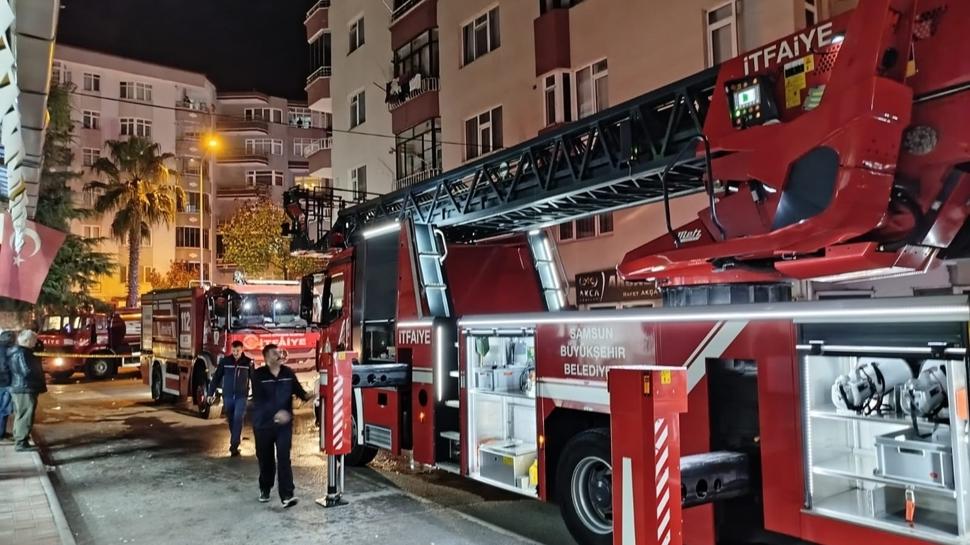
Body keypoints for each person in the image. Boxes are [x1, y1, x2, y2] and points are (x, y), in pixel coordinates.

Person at [251, 343, 315, 507]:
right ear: (266, 358)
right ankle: (265, 487)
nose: (278, 355)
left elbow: (300, 393)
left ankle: (287, 495)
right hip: (263, 424)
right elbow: (259, 400)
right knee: (266, 459)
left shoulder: (288, 373)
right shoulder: (258, 375)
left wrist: (313, 394)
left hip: (284, 425)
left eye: (279, 353)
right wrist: (274, 414)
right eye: (274, 353)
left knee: (284, 458)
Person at [206, 340, 253, 457]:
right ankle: (236, 439)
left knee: (238, 417)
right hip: (228, 396)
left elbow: (254, 379)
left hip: (241, 396)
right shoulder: (225, 362)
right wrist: (210, 393)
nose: (235, 353)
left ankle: (234, 445)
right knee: (231, 420)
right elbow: (216, 377)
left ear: (242, 350)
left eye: (238, 351)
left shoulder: (248, 363)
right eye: (233, 351)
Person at [9, 329, 46, 452]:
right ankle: (21, 442)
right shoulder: (22, 353)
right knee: (26, 414)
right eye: (34, 340)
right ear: (28, 340)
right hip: (25, 387)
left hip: (22, 387)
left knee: (21, 414)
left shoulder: (21, 351)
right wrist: (38, 372)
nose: (36, 343)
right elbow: (26, 371)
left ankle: (20, 438)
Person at [0, 330, 14, 442]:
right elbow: (4, 367)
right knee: (4, 409)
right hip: (4, 383)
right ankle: (1, 433)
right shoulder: (6, 350)